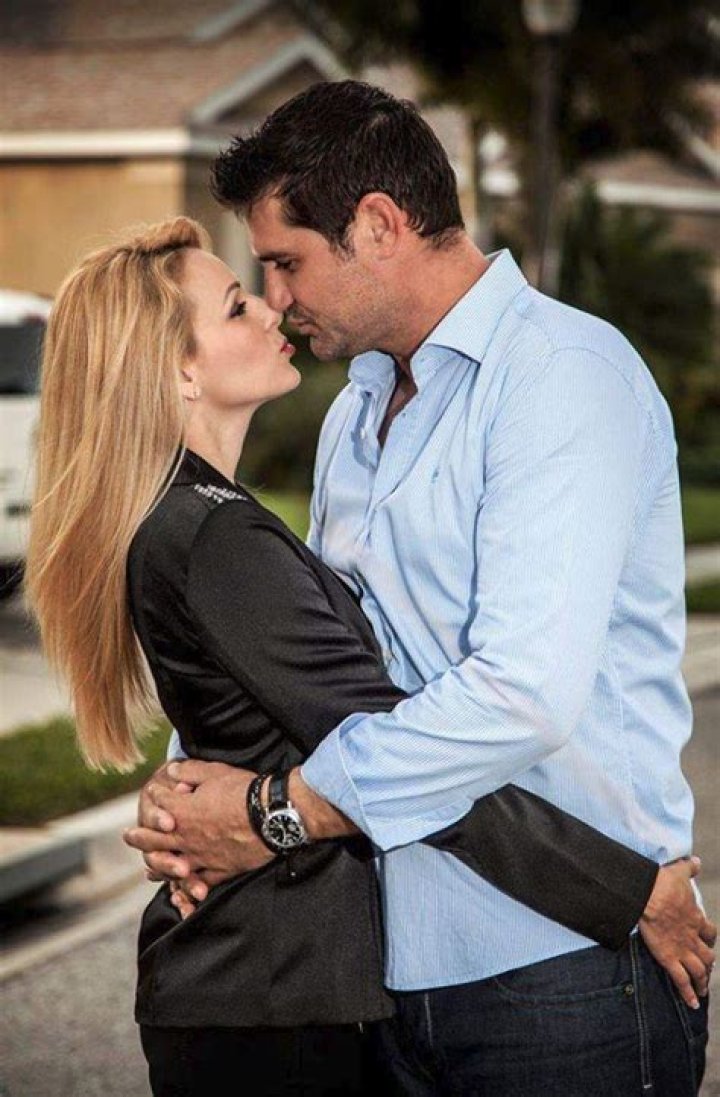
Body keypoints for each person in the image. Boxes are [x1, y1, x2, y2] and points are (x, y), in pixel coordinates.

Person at [126, 81, 715, 1095]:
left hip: (564, 967)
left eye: (286, 262)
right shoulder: (353, 414)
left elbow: (521, 693)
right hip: (387, 975)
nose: (277, 299)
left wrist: (276, 812)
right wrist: (188, 791)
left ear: (378, 225)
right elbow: (315, 663)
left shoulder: (561, 375)